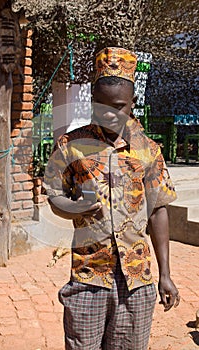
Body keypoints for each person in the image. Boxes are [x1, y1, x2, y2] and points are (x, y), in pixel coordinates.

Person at [44, 47, 180, 350]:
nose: (108, 114)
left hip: (137, 280)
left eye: (118, 106)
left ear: (132, 104)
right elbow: (54, 196)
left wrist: (166, 275)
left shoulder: (148, 150)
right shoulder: (71, 145)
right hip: (89, 276)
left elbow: (158, 210)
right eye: (100, 106)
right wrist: (74, 207)